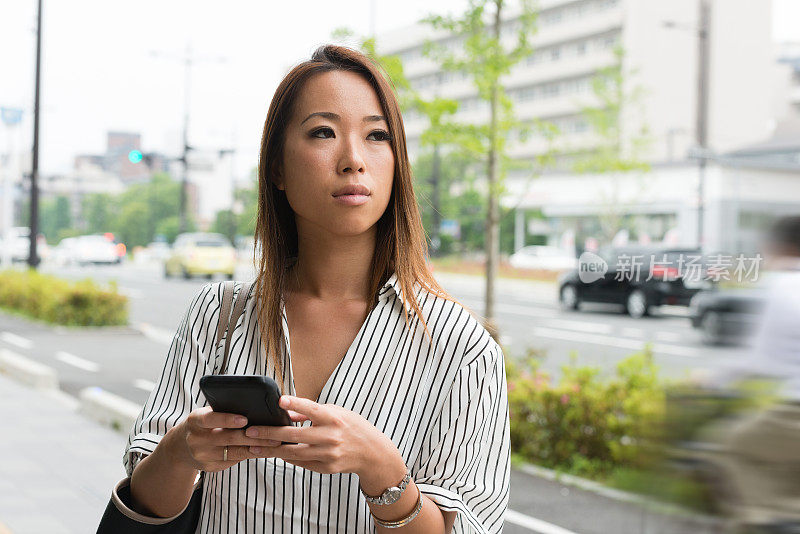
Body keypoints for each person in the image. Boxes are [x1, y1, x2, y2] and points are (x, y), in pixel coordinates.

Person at [122, 44, 511, 533]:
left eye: (376, 136)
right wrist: (180, 452)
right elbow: (146, 504)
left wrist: (382, 471)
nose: (353, 160)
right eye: (323, 132)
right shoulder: (218, 316)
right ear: (278, 169)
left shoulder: (459, 346)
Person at [697, 215, 800, 530]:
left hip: (795, 410)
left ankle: (769, 519)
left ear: (777, 248)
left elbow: (759, 359)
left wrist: (712, 380)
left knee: (731, 446)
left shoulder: (783, 284)